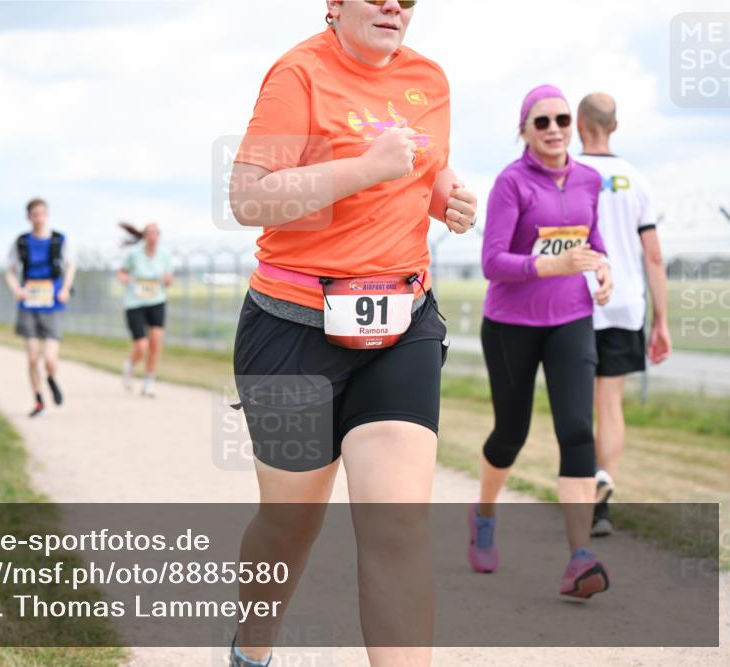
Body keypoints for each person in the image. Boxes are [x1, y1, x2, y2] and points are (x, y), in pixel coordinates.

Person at [229, 1, 477, 665]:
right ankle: (252, 645)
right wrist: (365, 167)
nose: (395, 4)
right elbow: (249, 197)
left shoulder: (431, 78)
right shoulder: (300, 74)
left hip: (402, 323)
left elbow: (424, 172)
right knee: (291, 522)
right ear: (335, 5)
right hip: (292, 329)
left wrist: (448, 197)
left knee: (396, 523)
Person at [472, 84, 613, 599]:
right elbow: (492, 263)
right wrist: (551, 265)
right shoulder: (511, 184)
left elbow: (590, 240)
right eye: (542, 122)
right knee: (511, 432)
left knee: (577, 430)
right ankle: (484, 513)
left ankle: (580, 557)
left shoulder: (590, 180)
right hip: (511, 325)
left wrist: (602, 268)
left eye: (561, 120)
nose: (554, 129)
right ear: (525, 130)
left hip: (570, 319)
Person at [576, 93, 672, 536]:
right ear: (614, 126)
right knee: (609, 404)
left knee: (575, 402)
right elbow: (653, 256)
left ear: (578, 125)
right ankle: (602, 504)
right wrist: (661, 321)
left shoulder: (570, 172)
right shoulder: (636, 179)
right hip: (625, 304)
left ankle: (576, 495)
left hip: (575, 301)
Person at [5, 198, 76, 417]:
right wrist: (17, 288)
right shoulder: (22, 242)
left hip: (52, 302)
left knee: (50, 359)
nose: (39, 218)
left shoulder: (59, 240)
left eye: (42, 213)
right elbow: (10, 270)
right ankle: (38, 399)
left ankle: (51, 378)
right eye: (34, 214)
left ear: (47, 215)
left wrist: (65, 288)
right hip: (29, 302)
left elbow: (70, 265)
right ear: (29, 216)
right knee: (33, 357)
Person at [117, 222, 173, 397]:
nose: (153, 237)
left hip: (157, 301)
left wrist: (167, 280)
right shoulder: (134, 255)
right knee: (142, 346)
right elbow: (122, 271)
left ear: (159, 236)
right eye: (149, 233)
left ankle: (148, 381)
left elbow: (170, 278)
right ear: (144, 236)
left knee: (155, 343)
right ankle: (131, 366)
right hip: (135, 303)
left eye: (156, 233)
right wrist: (125, 278)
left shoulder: (165, 255)